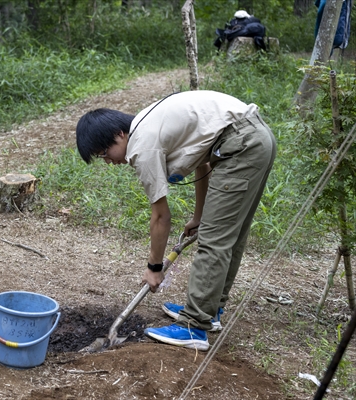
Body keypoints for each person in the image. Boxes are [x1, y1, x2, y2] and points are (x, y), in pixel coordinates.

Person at [75, 90, 276, 351]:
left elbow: (160, 216)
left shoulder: (142, 145)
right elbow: (202, 165)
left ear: (119, 134)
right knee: (229, 236)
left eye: (105, 152)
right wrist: (199, 216)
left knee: (214, 242)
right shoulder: (150, 124)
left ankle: (194, 326)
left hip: (240, 145)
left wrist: (154, 267)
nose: (109, 161)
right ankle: (209, 309)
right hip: (255, 138)